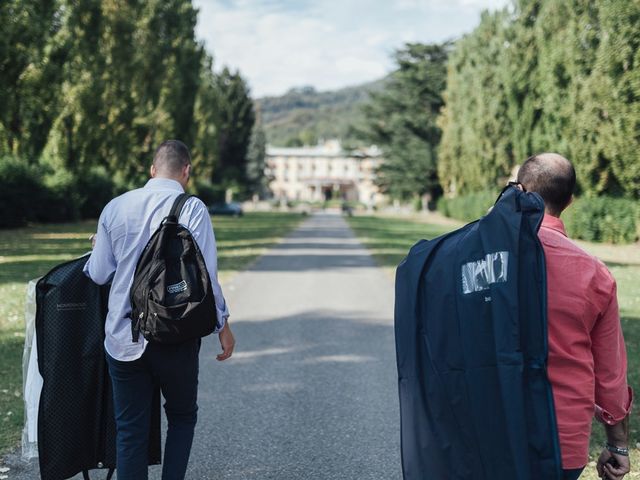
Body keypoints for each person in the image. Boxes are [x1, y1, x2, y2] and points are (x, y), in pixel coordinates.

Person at [84, 139, 235, 479]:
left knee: (130, 431)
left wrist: (98, 249)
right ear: (187, 171)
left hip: (123, 337)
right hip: (177, 334)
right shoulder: (193, 208)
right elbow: (206, 275)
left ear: (152, 170)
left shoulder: (115, 207)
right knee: (182, 417)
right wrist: (222, 325)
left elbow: (98, 274)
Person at [516, 153, 633, 480]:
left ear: (517, 189)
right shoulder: (593, 273)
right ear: (569, 202)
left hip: (485, 429)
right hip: (561, 441)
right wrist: (618, 445)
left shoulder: (476, 258)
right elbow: (610, 373)